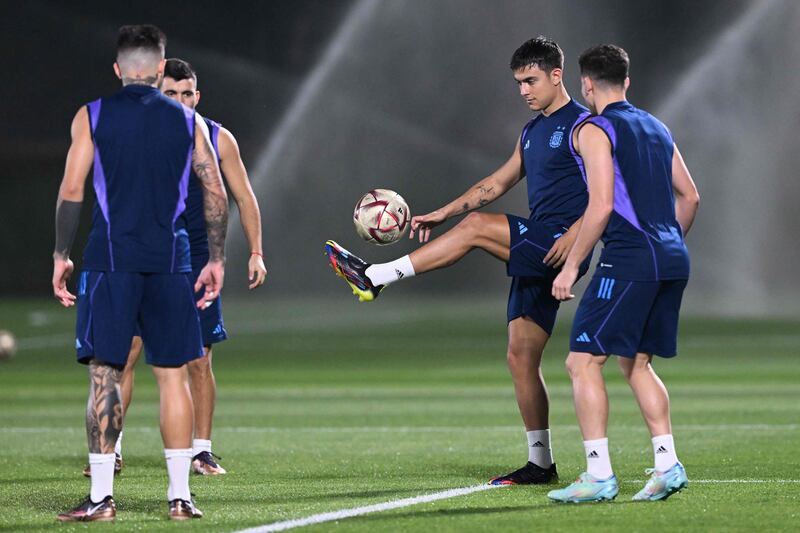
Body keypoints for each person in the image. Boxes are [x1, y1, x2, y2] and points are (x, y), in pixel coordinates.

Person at [325, 36, 592, 485]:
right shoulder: (530, 132)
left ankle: (376, 276)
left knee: (475, 230)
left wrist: (578, 235)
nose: (524, 90)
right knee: (520, 357)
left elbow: (611, 191)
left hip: (559, 242)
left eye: (530, 81)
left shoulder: (584, 125)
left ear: (555, 75)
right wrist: (443, 211)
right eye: (518, 83)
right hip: (538, 246)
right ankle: (541, 463)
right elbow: (495, 183)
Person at [52, 25, 229, 521]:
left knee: (106, 374)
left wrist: (61, 254)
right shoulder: (188, 120)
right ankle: (180, 498)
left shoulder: (93, 116)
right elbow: (214, 192)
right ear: (158, 69)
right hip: (173, 261)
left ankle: (101, 498)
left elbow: (72, 188)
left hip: (112, 260)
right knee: (173, 378)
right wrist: (215, 259)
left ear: (118, 69)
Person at [92, 58, 267, 478]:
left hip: (199, 259)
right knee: (126, 353)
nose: (180, 101)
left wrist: (256, 251)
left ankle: (201, 450)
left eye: (186, 93)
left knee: (199, 359)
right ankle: (111, 449)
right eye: (170, 94)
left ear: (197, 95)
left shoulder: (218, 137)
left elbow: (244, 196)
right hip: (147, 255)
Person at [546, 44, 699, 503]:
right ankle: (668, 465)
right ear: (626, 81)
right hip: (671, 257)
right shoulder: (656, 125)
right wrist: (666, 246)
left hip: (630, 257)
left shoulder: (594, 127)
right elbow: (690, 197)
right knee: (636, 363)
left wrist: (570, 266)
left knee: (581, 360)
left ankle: (598, 476)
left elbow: (602, 205)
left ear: (585, 85)